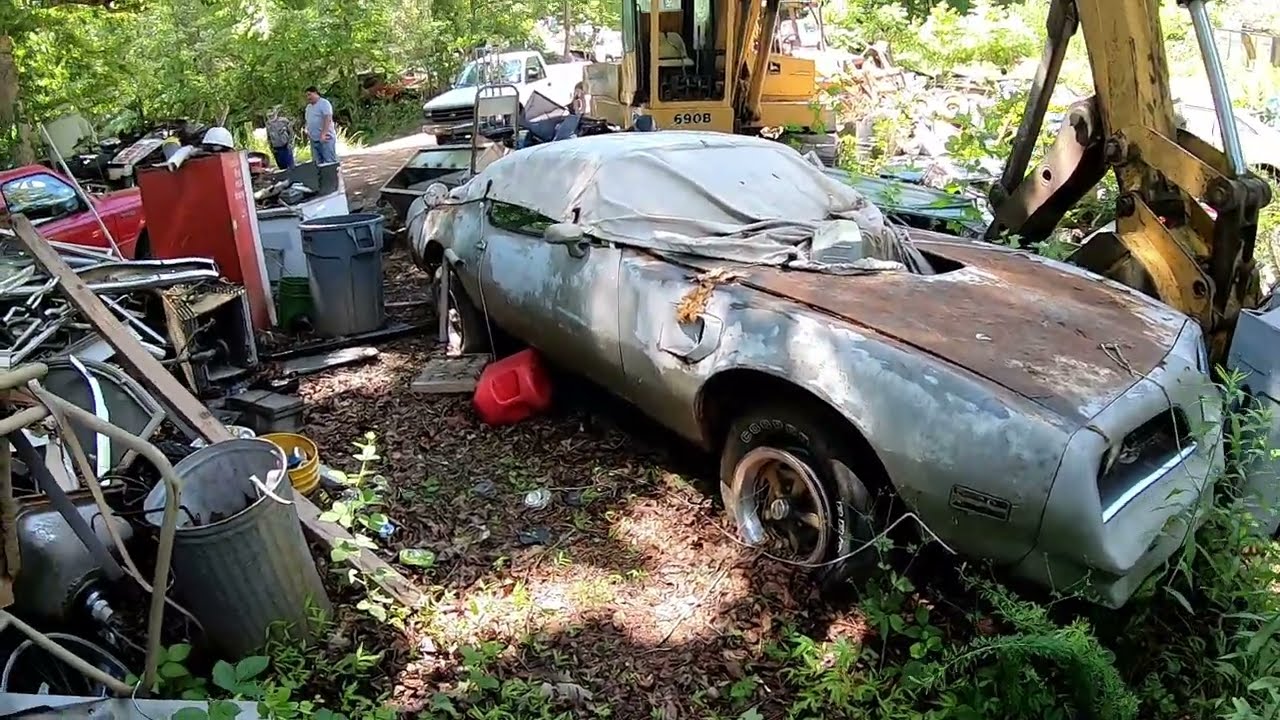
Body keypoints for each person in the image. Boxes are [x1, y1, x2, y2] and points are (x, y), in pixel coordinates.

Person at [304, 86, 337, 164]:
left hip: (325, 138)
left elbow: (328, 118)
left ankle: (332, 176)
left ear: (315, 93)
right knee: (317, 163)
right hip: (314, 139)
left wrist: (324, 134)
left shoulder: (324, 103)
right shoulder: (308, 107)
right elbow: (308, 120)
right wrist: (307, 129)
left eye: (309, 94)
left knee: (329, 162)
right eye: (306, 96)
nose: (308, 97)